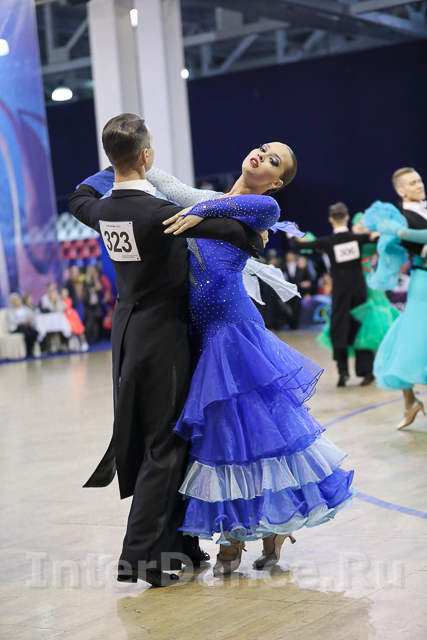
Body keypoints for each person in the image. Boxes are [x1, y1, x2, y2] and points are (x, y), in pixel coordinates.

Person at [67, 113, 265, 588]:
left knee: (161, 441)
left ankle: (180, 546)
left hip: (127, 335)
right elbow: (238, 233)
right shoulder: (161, 215)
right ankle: (139, 557)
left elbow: (78, 196)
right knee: (165, 447)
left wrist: (113, 166)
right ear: (147, 155)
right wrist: (252, 236)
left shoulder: (103, 211)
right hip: (164, 337)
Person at [149, 155, 355, 577]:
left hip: (235, 331)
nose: (261, 155)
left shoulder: (265, 208)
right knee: (227, 434)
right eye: (262, 148)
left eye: (273, 160)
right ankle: (238, 530)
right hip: (204, 335)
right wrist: (127, 166)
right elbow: (170, 186)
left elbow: (219, 206)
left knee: (259, 431)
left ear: (276, 182)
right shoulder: (210, 200)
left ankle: (254, 532)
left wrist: (199, 210)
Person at [363, 168, 427, 430]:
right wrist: (400, 232)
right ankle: (410, 401)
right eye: (413, 183)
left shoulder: (411, 218)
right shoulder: (401, 218)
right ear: (401, 191)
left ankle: (410, 402)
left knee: (410, 337)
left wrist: (402, 233)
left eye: (419, 180)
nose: (420, 185)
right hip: (423, 282)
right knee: (413, 340)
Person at [293, 203, 378, 387]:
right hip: (359, 289)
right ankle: (366, 372)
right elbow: (377, 239)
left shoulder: (328, 242)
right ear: (347, 217)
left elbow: (299, 246)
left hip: (340, 291)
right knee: (360, 328)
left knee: (339, 329)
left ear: (330, 219)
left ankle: (343, 372)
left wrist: (291, 234)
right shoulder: (358, 238)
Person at [317, 213, 400, 359]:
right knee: (353, 318)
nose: (361, 225)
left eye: (364, 222)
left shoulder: (371, 238)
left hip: (370, 281)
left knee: (376, 317)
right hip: (353, 282)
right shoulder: (350, 240)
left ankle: (377, 359)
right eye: (358, 223)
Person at [7, 293, 39, 357]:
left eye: (17, 300)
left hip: (26, 326)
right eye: (15, 300)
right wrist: (23, 322)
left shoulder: (24, 308)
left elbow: (31, 315)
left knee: (34, 332)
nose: (16, 302)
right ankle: (28, 351)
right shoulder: (10, 311)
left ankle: (30, 349)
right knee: (27, 332)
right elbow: (13, 321)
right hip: (16, 328)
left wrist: (29, 320)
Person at [61, 287, 89, 352]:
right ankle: (73, 344)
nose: (64, 294)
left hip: (73, 317)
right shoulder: (61, 301)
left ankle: (84, 343)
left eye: (66, 292)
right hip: (67, 318)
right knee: (71, 331)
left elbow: (65, 307)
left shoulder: (69, 300)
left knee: (79, 330)